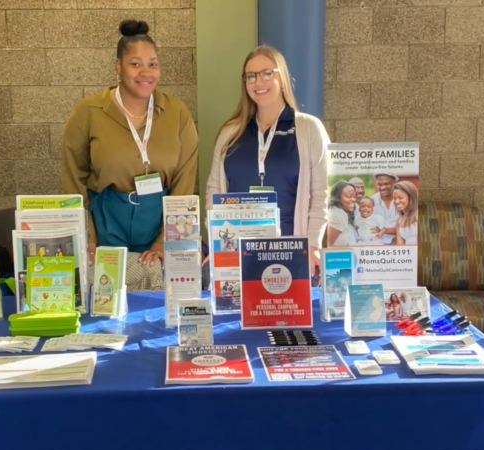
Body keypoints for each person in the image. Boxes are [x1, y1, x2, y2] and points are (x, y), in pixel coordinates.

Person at [62, 20, 199, 267]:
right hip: (107, 221)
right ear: (118, 66)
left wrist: (166, 239)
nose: (146, 73)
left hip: (160, 219)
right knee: (108, 297)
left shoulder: (177, 113)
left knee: (158, 297)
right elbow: (73, 181)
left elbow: (185, 182)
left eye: (153, 64)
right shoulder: (88, 113)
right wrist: (86, 237)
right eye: (135, 64)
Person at [206, 45, 329, 259]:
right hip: (239, 255)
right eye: (251, 76)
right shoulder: (230, 133)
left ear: (282, 77)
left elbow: (322, 194)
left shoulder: (309, 129)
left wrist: (312, 246)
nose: (258, 82)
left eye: (267, 73)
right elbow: (214, 192)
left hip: (292, 253)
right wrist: (218, 242)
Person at [326, 180, 358, 246]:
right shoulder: (338, 213)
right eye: (348, 196)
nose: (353, 199)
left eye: (354, 196)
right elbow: (328, 245)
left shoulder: (345, 212)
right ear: (337, 197)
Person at [371, 173, 399, 244]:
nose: (383, 187)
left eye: (386, 184)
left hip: (399, 242)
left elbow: (407, 227)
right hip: (377, 243)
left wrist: (384, 230)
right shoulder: (371, 201)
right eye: (379, 184)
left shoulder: (401, 201)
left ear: (394, 183)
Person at [392, 181, 419, 245]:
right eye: (394, 198)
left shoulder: (418, 214)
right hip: (407, 254)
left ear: (411, 197)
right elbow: (400, 248)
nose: (397, 201)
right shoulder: (399, 221)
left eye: (401, 197)